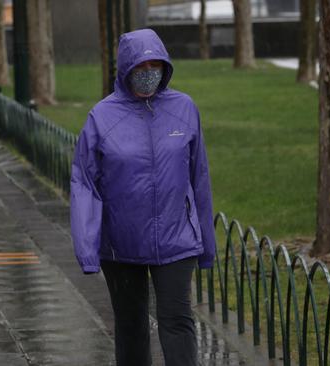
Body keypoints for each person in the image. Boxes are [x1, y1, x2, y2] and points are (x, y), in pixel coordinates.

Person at [70, 29, 216, 366]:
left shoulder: (184, 109)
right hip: (121, 246)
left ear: (165, 67)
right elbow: (84, 184)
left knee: (178, 322)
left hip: (177, 240)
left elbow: (200, 178)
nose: (149, 72)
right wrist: (87, 249)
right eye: (141, 65)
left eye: (156, 64)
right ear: (125, 68)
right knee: (131, 326)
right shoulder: (101, 118)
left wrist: (206, 245)